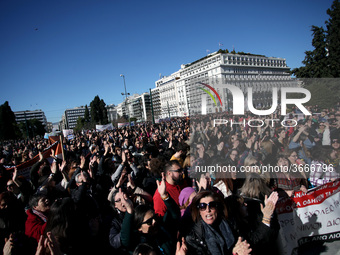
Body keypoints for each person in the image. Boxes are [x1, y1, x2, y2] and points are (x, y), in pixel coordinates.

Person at [120, 173, 180, 255]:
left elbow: (175, 215)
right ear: (139, 228)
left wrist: (164, 196)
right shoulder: (139, 245)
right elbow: (125, 241)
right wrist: (129, 211)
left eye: (154, 217)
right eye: (149, 221)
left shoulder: (162, 231)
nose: (154, 222)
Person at [185, 190, 251, 255]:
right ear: (199, 211)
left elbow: (245, 244)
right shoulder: (193, 237)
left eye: (212, 205)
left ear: (217, 207)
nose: (208, 210)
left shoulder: (230, 223)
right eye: (203, 206)